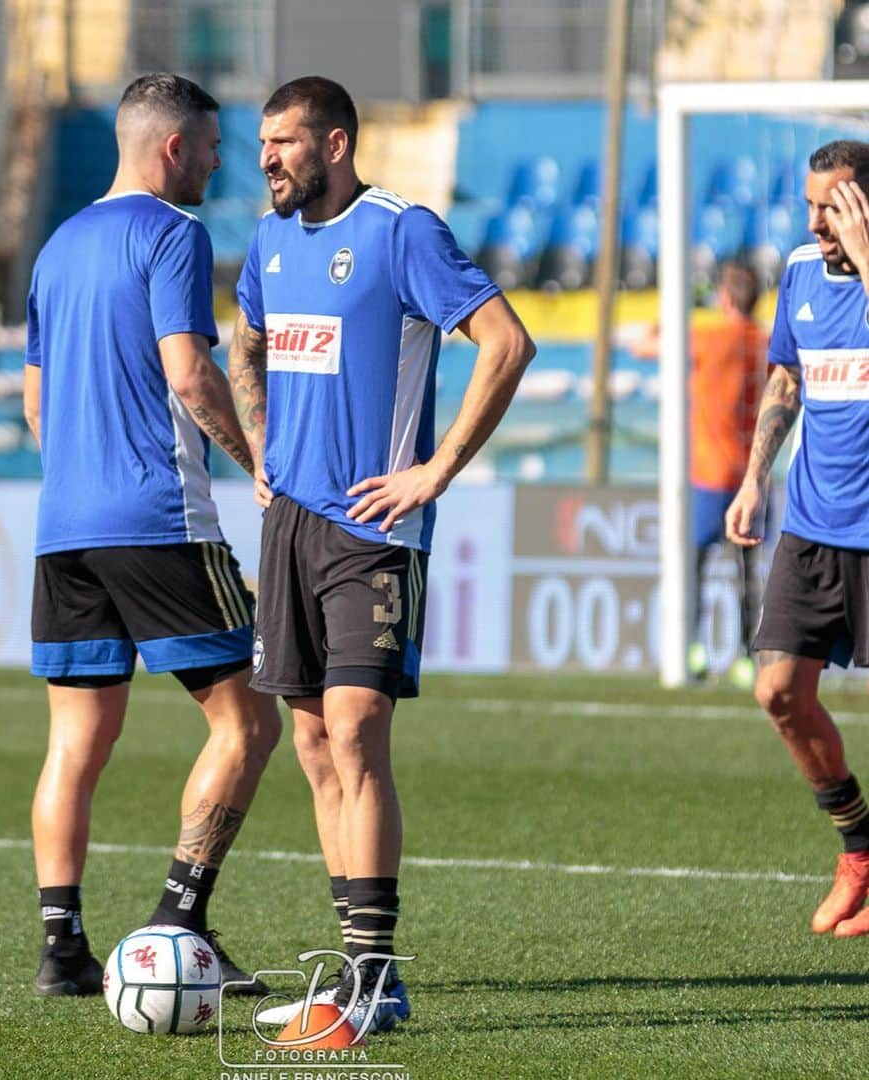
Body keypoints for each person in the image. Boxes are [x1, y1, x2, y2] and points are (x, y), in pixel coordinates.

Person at [228, 76, 535, 1031]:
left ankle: (368, 971)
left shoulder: (404, 231)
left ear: (335, 144)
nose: (267, 157)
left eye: (284, 142)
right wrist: (261, 447)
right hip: (290, 527)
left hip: (376, 528)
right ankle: (366, 976)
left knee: (356, 731)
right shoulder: (270, 243)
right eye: (263, 142)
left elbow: (506, 342)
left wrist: (435, 469)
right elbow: (244, 346)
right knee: (314, 747)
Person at [22, 73, 281, 997]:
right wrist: (254, 461)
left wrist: (84, 473)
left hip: (65, 527)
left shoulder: (55, 248)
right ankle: (181, 920)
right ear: (173, 147)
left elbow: (35, 404)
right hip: (158, 520)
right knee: (248, 718)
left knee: (75, 744)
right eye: (213, 146)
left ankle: (63, 952)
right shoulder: (172, 233)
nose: (221, 160)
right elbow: (189, 371)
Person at [726, 139, 869, 939]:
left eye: (834, 205)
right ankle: (859, 846)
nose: (817, 221)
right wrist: (755, 477)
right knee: (778, 691)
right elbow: (787, 375)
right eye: (812, 204)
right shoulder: (801, 270)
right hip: (813, 526)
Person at [634, 262, 769, 686]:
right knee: (747, 571)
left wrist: (679, 307)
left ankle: (693, 647)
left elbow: (643, 346)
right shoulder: (764, 340)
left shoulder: (708, 336)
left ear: (724, 298)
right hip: (752, 474)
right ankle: (748, 657)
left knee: (696, 566)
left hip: (709, 472)